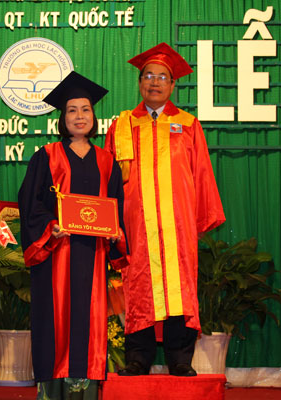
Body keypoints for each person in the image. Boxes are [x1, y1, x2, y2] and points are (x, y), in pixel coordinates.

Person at [104, 43, 226, 377]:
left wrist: (198, 219)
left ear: (173, 85)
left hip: (177, 225)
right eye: (148, 76)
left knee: (179, 288)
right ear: (139, 82)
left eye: (162, 77)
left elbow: (201, 173)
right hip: (136, 225)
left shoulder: (188, 124)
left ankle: (180, 359)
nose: (154, 82)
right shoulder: (122, 125)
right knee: (138, 286)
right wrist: (111, 222)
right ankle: (138, 358)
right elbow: (109, 180)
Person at [19, 71, 128, 399]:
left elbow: (117, 208)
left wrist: (116, 234)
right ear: (62, 118)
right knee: (54, 324)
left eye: (85, 110)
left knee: (89, 322)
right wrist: (50, 226)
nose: (79, 116)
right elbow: (30, 203)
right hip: (56, 254)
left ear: (94, 116)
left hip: (92, 257)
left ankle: (86, 393)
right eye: (72, 110)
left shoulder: (107, 162)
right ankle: (51, 392)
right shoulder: (46, 156)